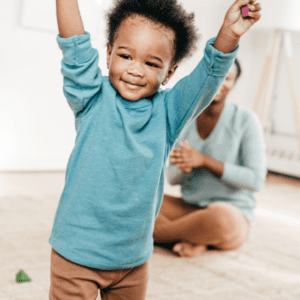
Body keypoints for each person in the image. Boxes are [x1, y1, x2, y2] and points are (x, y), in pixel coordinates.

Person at [49, 0, 261, 299]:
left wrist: (230, 32)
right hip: (76, 254)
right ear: (109, 53)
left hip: (132, 261)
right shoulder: (91, 97)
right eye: (125, 56)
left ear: (170, 72)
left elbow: (209, 75)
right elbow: (74, 46)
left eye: (151, 63)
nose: (136, 70)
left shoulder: (170, 112)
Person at [153, 58, 267, 258]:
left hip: (230, 212)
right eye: (215, 76)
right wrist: (185, 166)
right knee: (142, 199)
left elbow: (255, 181)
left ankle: (154, 234)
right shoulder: (187, 118)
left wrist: (204, 161)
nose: (219, 82)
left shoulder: (246, 120)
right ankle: (196, 238)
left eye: (227, 78)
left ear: (234, 83)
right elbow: (171, 178)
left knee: (220, 220)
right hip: (189, 208)